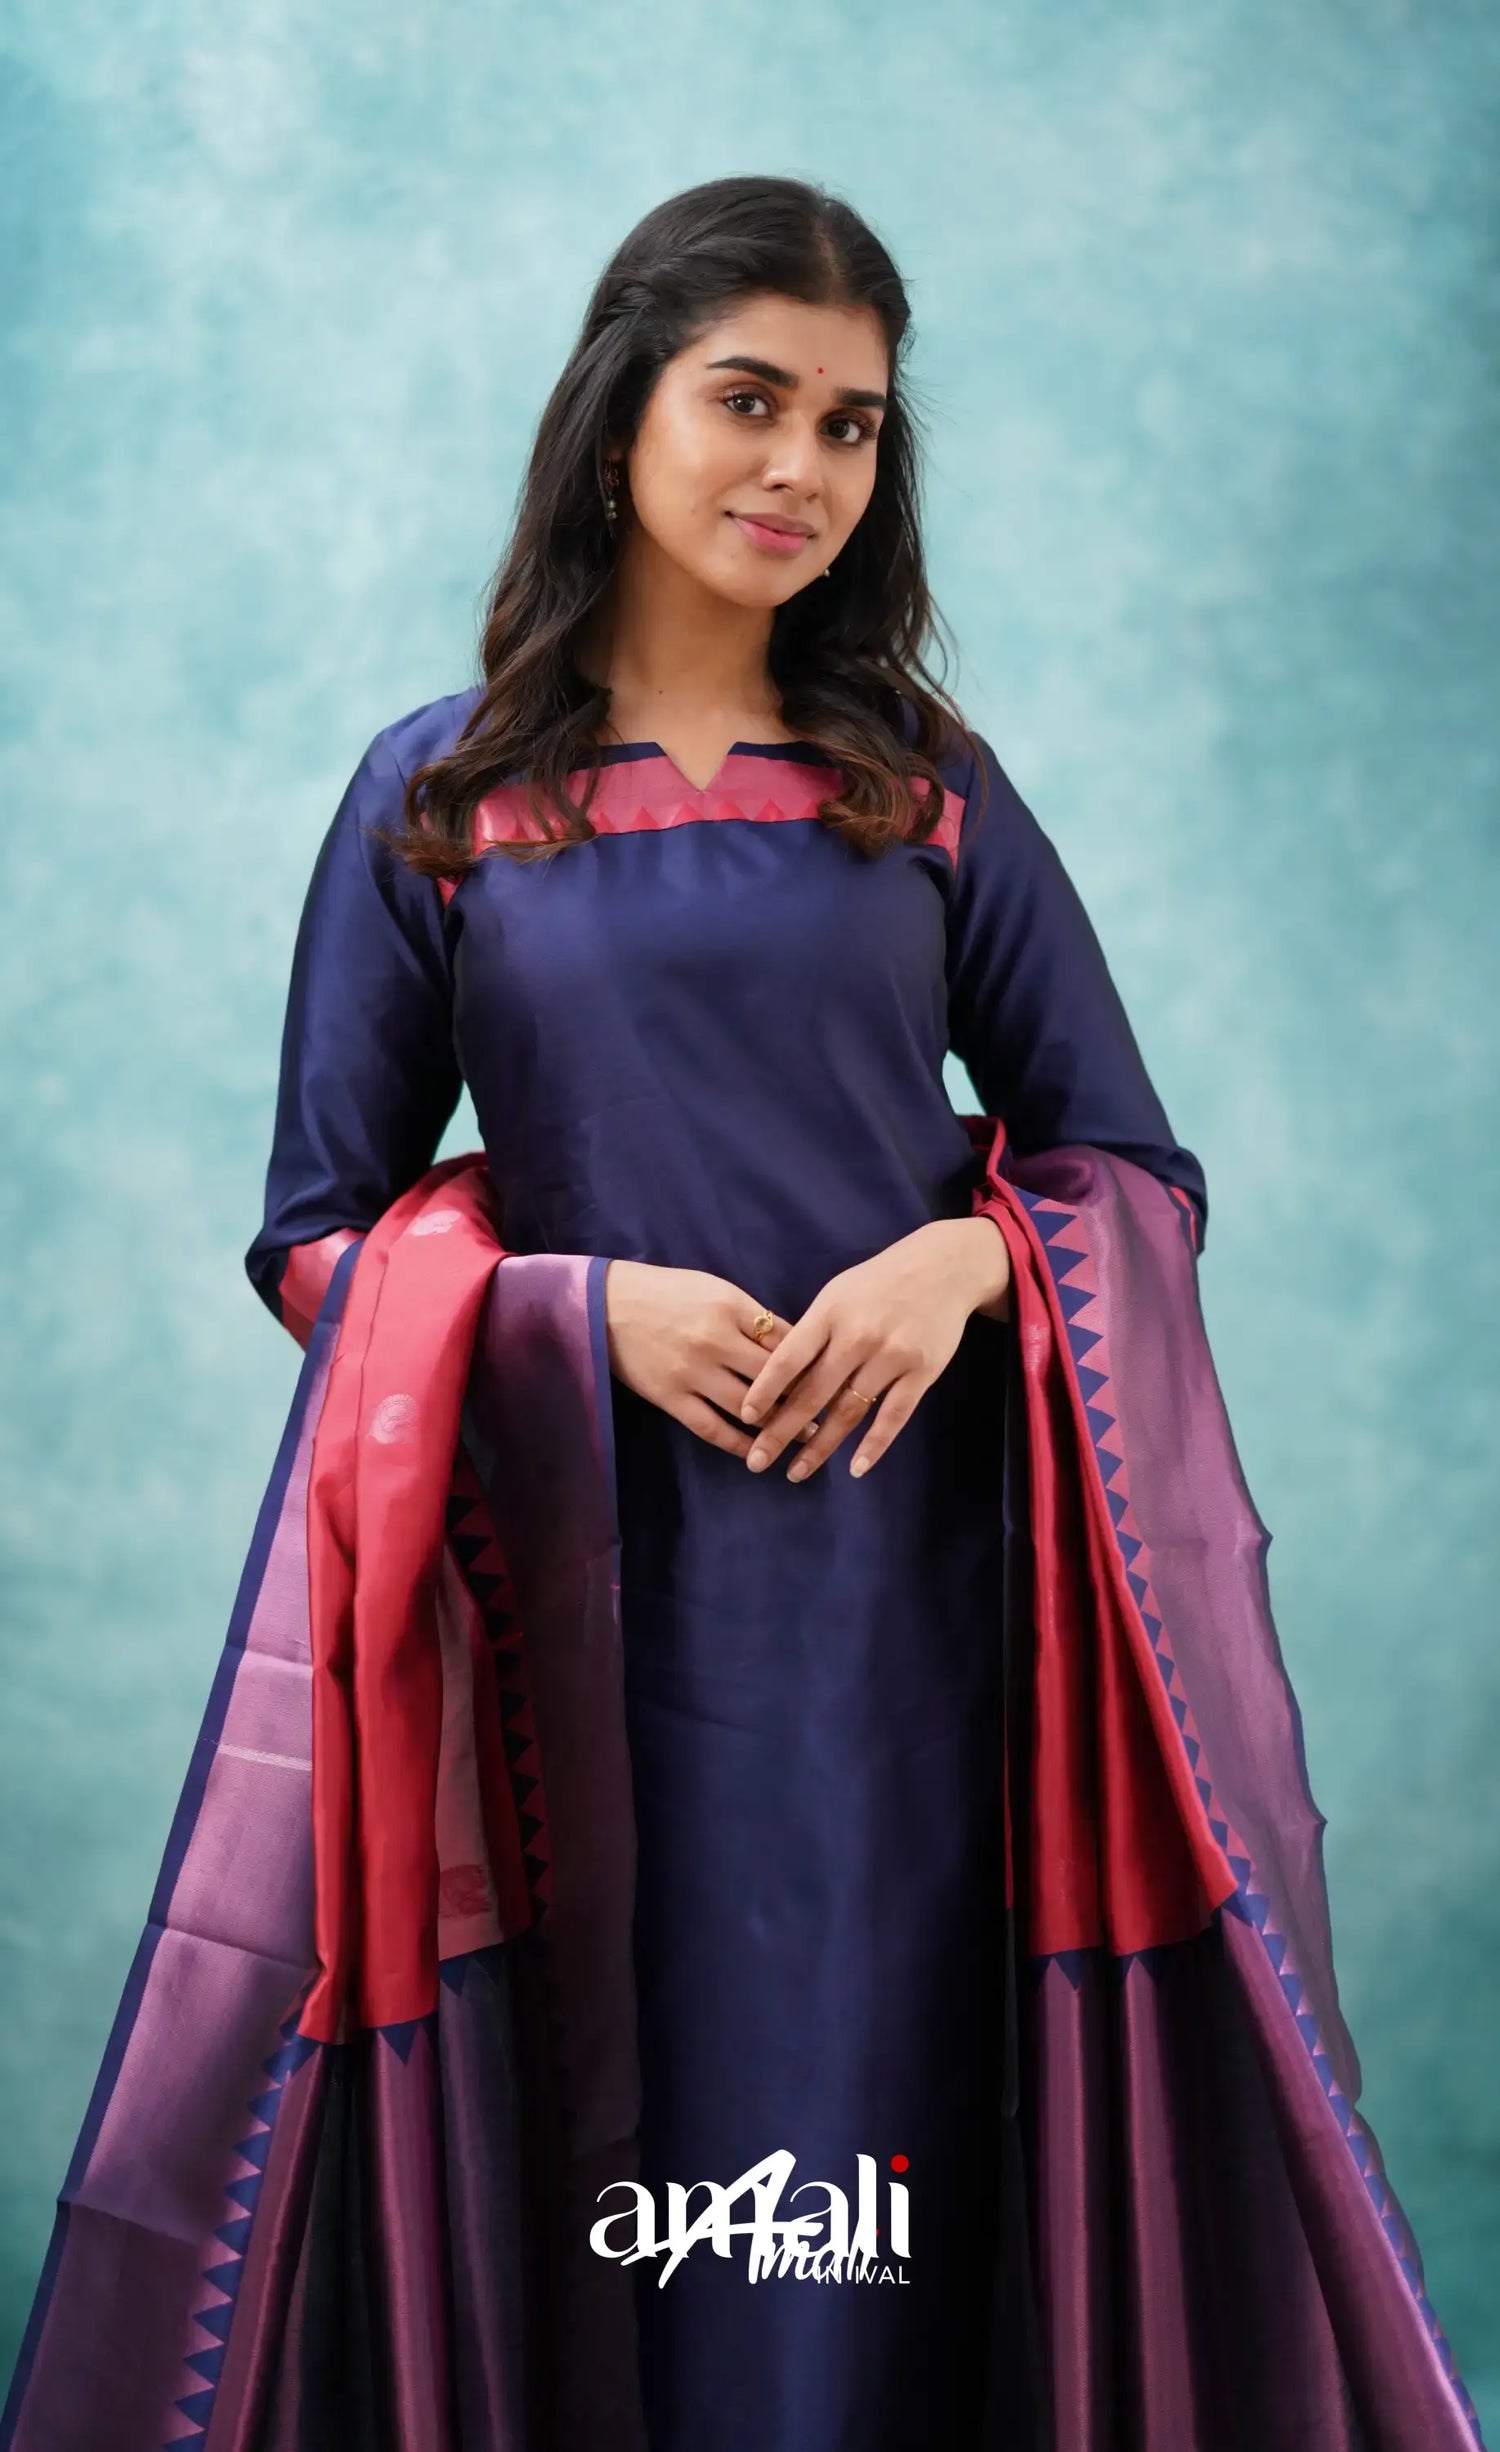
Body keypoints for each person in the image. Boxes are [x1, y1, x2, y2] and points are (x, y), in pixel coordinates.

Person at [3, 176, 1485, 2452]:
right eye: (750, 400)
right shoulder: (448, 801)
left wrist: (967, 1257)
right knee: (635, 2132)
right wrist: (577, 1313)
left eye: (854, 425)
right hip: (575, 1617)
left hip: (919, 1604)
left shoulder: (924, 793)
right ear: (622, 421)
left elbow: (1134, 1167)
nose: (803, 466)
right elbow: (317, 1232)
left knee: (889, 2126)